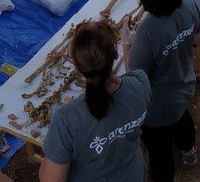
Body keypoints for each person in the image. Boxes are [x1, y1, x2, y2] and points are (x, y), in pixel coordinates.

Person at [123, 0, 200, 182]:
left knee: (160, 152)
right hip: (184, 87)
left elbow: (135, 77)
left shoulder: (147, 31)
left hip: (156, 108)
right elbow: (196, 31)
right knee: (182, 121)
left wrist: (126, 42)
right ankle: (189, 152)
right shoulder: (189, 2)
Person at [40, 21, 151, 182]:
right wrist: (126, 45)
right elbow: (131, 79)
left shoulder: (66, 119)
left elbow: (51, 179)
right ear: (115, 54)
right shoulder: (141, 82)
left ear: (77, 66)